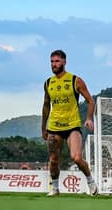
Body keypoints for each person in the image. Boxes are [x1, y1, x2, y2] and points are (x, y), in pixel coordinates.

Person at [42, 49, 98, 196]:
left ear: (64, 62)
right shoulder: (48, 83)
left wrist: (88, 118)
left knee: (77, 158)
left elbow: (91, 101)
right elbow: (46, 105)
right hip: (54, 127)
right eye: (52, 62)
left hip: (72, 125)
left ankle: (91, 182)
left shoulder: (75, 80)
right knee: (53, 160)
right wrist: (44, 127)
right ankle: (55, 188)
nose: (54, 64)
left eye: (57, 61)